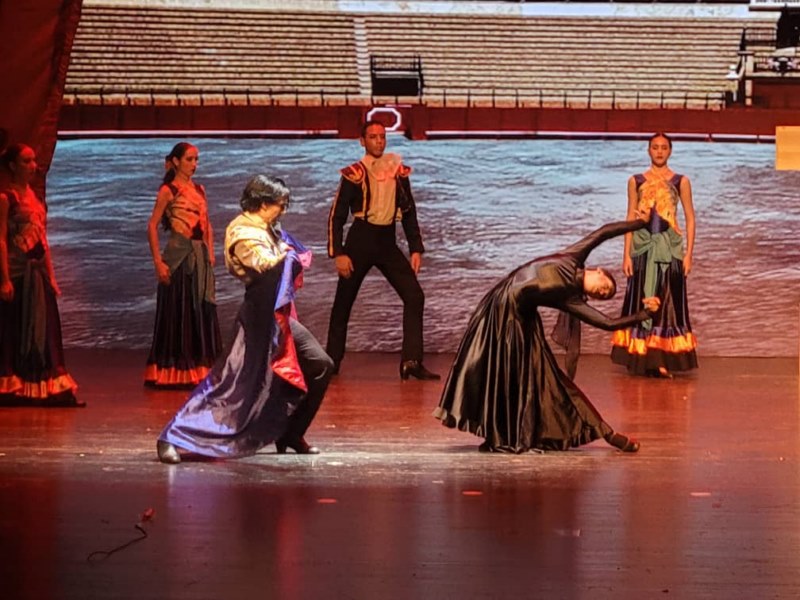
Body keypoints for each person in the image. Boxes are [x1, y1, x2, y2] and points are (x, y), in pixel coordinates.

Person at [434, 218, 660, 454]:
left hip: (520, 320)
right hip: (499, 306)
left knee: (541, 381)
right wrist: (639, 223)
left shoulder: (570, 298)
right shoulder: (573, 257)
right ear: (598, 270)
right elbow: (604, 232)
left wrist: (642, 314)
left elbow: (607, 323)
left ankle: (606, 434)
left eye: (604, 296)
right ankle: (500, 434)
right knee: (499, 374)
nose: (604, 292)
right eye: (606, 286)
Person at [157, 175, 333, 464]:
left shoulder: (267, 227)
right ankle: (173, 435)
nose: (283, 211)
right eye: (280, 204)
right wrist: (287, 255)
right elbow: (264, 264)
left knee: (320, 365)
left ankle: (290, 432)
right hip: (258, 317)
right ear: (263, 204)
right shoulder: (242, 232)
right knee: (232, 384)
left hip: (278, 316)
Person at [326, 120, 439, 380]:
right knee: (343, 302)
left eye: (382, 137)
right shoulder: (354, 173)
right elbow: (337, 216)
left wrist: (415, 248)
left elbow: (409, 212)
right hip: (360, 239)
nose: (379, 141)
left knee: (414, 296)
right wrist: (339, 253)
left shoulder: (397, 171)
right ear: (362, 141)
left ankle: (411, 361)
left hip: (387, 240)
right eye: (373, 137)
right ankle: (332, 360)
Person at [0, 143, 81, 407]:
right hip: (17, 270)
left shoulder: (34, 198)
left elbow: (43, 240)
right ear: (13, 166)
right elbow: (1, 240)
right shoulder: (6, 198)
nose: (33, 166)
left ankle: (43, 384)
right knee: (16, 328)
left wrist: (52, 277)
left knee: (43, 329)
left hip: (37, 272)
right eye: (26, 161)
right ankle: (16, 383)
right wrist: (5, 279)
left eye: (34, 160)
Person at [611, 133, 698, 378]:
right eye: (655, 147)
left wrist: (689, 254)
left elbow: (690, 218)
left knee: (669, 301)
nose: (659, 152)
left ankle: (662, 359)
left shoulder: (681, 180)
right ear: (648, 150)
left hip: (670, 249)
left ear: (670, 151)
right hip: (642, 248)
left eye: (663, 148)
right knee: (641, 298)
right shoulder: (636, 181)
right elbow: (630, 217)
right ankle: (642, 357)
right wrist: (626, 254)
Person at [145, 142, 222, 388]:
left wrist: (210, 252)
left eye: (196, 159)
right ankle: (175, 371)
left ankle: (200, 368)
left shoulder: (199, 189)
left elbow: (207, 223)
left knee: (200, 310)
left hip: (199, 257)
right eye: (189, 159)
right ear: (176, 161)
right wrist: (158, 262)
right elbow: (152, 226)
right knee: (180, 310)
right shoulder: (169, 190)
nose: (194, 164)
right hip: (178, 257)